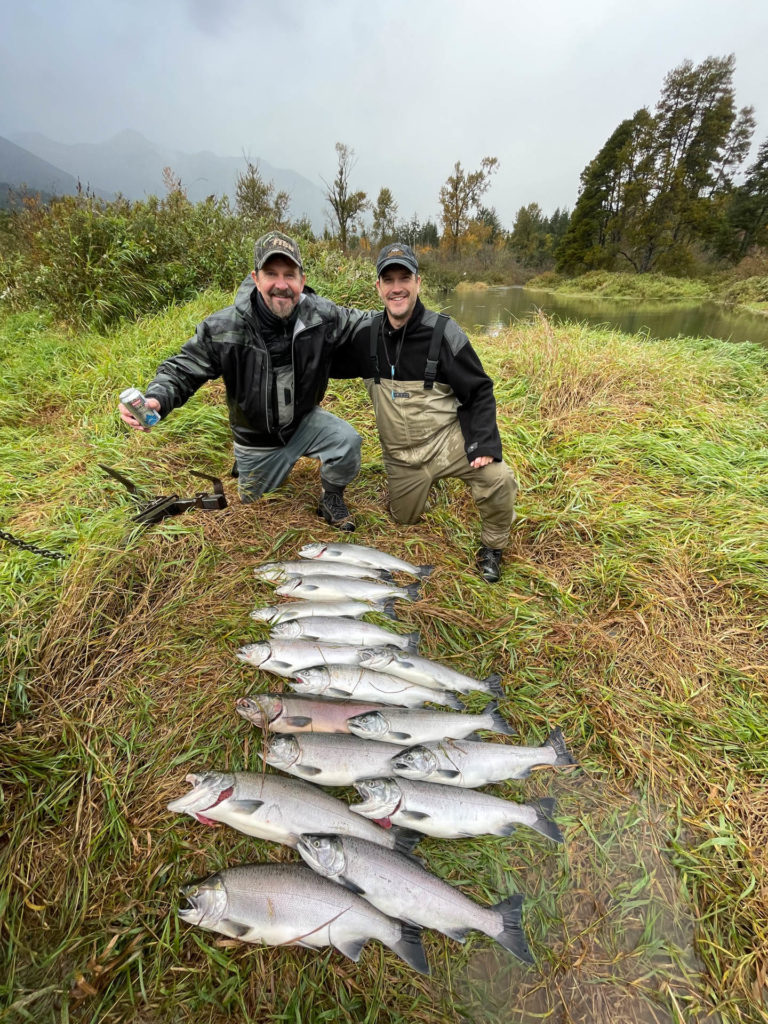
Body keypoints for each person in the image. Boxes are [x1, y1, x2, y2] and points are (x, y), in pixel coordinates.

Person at [118, 231, 369, 531]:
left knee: (348, 442)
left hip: (304, 422)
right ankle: (248, 465)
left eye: (289, 274)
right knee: (255, 510)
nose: (281, 284)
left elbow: (366, 326)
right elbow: (182, 368)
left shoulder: (321, 316)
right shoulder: (225, 328)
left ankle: (331, 496)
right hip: (257, 442)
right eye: (271, 274)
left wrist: (411, 320)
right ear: (256, 277)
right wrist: (157, 398)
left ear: (302, 280)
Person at [331, 242, 517, 582]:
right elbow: (321, 360)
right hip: (401, 457)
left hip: (446, 444)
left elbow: (479, 390)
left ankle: (492, 547)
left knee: (498, 478)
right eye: (388, 280)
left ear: (418, 282)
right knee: (403, 521)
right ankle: (423, 489)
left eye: (404, 277)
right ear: (378, 287)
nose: (396, 287)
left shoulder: (445, 333)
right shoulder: (365, 335)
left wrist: (483, 444)